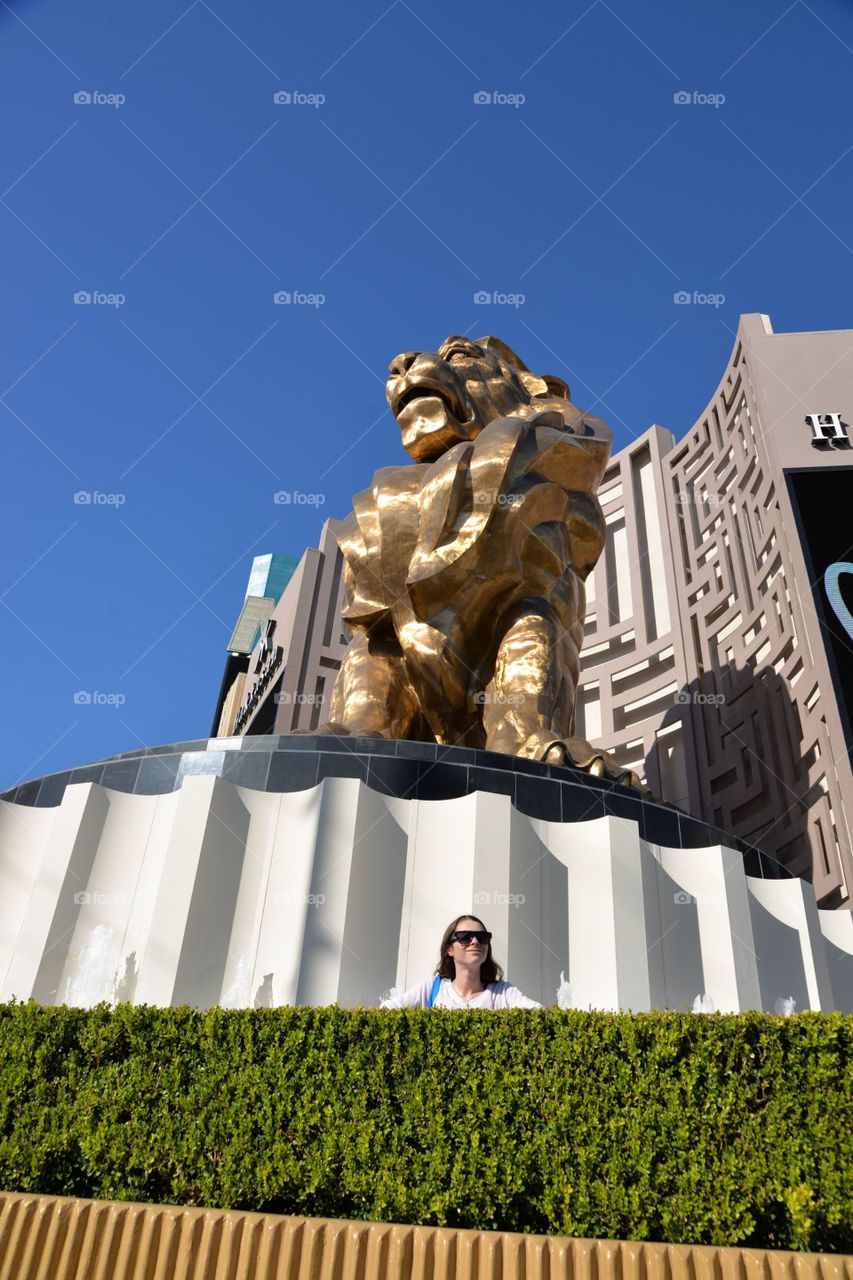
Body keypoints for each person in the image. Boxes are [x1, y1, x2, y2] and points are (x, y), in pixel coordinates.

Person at [381, 914, 542, 1009]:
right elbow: (388, 1010)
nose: (475, 942)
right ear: (449, 949)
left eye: (482, 937)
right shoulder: (433, 988)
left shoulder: (503, 992)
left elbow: (538, 1013)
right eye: (465, 937)